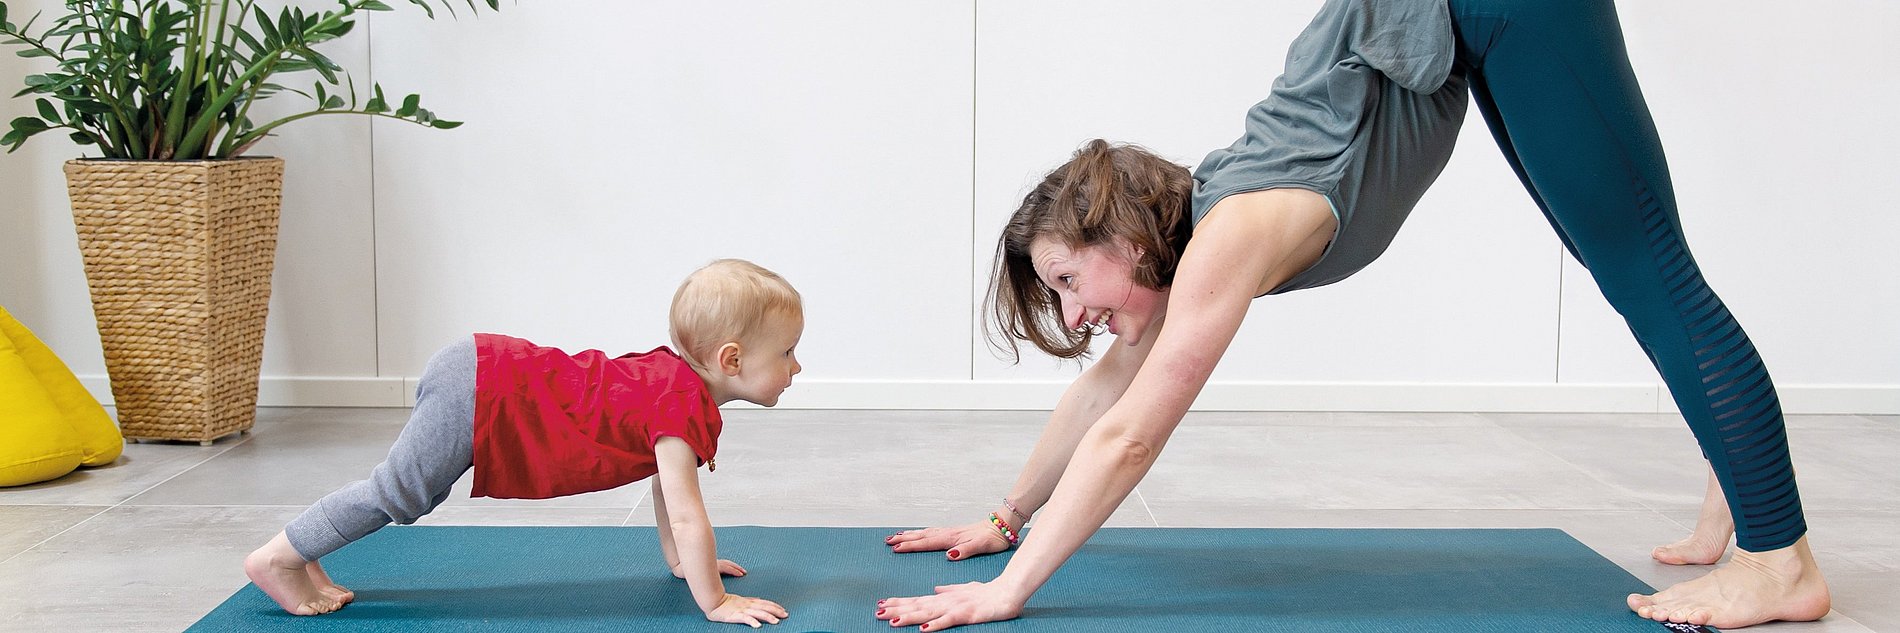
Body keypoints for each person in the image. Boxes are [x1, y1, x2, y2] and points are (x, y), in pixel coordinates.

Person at [876, 0, 1831, 630]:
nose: (1072, 313)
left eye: (1065, 280)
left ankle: (1779, 557)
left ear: (1122, 238)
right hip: (1474, 23)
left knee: (1645, 269)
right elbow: (1105, 392)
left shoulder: (1229, 235)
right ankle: (1739, 485)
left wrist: (1010, 591)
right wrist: (1006, 516)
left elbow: (1129, 437)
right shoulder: (1199, 227)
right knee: (1623, 261)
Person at [243, 259, 800, 628]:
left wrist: (682, 563)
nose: (795, 366)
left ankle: (303, 553)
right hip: (483, 386)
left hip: (484, 371)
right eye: (787, 352)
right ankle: (277, 559)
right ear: (731, 359)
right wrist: (714, 600)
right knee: (400, 494)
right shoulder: (676, 403)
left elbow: (665, 490)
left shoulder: (674, 388)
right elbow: (685, 513)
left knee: (408, 493)